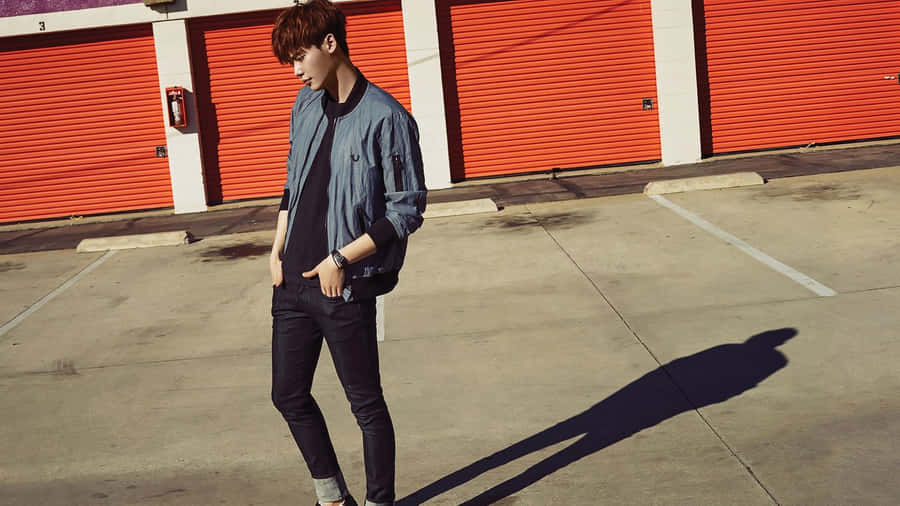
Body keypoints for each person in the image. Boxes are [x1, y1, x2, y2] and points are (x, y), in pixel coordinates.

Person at [268, 1, 427, 505]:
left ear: (330, 45)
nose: (295, 72)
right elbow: (292, 185)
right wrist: (276, 251)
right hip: (291, 282)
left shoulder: (387, 118)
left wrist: (341, 259)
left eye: (299, 57)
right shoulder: (305, 106)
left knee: (365, 405)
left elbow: (406, 212)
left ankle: (380, 501)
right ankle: (332, 496)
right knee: (287, 394)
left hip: (344, 286)